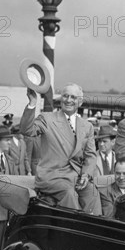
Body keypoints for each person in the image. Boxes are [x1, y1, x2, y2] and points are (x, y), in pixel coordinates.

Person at [20, 84, 101, 214]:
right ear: (61, 98)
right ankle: (71, 231)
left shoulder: (87, 126)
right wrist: (32, 103)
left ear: (80, 102)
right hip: (51, 176)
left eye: (73, 97)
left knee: (92, 193)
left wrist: (86, 174)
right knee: (69, 194)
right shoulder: (47, 118)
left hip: (75, 176)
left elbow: (90, 155)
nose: (68, 100)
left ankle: (93, 230)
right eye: (65, 96)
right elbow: (26, 130)